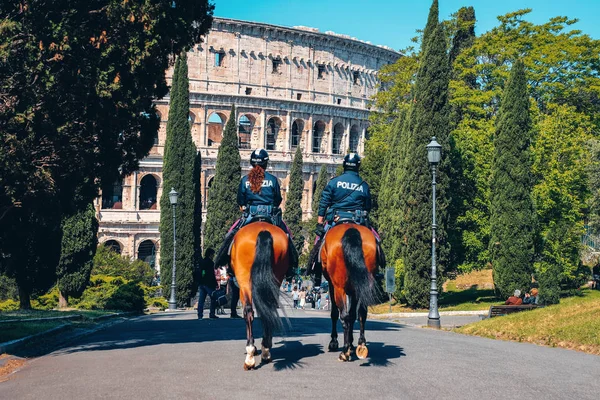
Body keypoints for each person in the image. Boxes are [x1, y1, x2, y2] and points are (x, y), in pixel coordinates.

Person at [214, 149, 298, 275]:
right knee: (288, 236)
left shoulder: (244, 180)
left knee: (230, 235)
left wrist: (244, 206)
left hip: (250, 215)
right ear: (266, 163)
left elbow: (240, 201)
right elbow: (278, 200)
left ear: (252, 163)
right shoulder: (273, 180)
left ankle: (228, 264)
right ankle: (291, 267)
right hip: (270, 215)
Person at [307, 153, 377, 285]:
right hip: (358, 220)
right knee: (376, 241)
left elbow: (323, 203)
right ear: (358, 167)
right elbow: (368, 207)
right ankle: (377, 269)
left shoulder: (334, 182)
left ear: (344, 165)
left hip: (336, 219)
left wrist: (320, 223)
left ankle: (315, 271)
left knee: (319, 244)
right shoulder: (364, 185)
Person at [196, 248, 219, 319]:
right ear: (210, 254)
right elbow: (211, 274)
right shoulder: (210, 263)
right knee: (213, 298)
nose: (213, 256)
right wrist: (215, 283)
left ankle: (200, 315)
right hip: (209, 284)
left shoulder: (202, 261)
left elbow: (202, 272)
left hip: (202, 283)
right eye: (213, 254)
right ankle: (212, 313)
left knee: (201, 300)